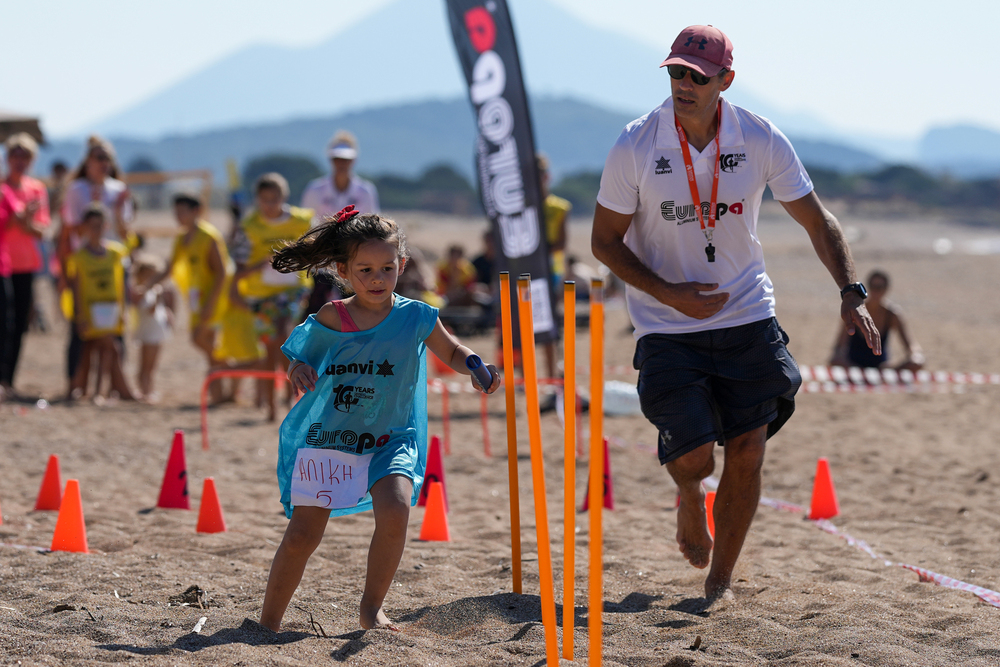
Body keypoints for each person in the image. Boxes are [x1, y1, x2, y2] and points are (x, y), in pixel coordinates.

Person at [590, 25, 880, 601]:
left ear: (725, 80)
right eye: (675, 73)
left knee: (748, 449)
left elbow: (818, 221)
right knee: (695, 456)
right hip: (668, 323)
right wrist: (670, 294)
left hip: (747, 314)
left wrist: (850, 290)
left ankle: (719, 581)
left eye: (697, 76)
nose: (684, 85)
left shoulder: (760, 137)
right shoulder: (636, 143)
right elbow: (604, 242)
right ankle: (689, 493)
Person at [258, 206, 500, 632]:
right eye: (365, 269)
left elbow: (452, 351)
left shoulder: (417, 316)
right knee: (302, 536)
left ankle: (371, 608)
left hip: (391, 438)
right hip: (332, 439)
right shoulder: (334, 317)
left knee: (397, 508)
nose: (377, 278)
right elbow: (297, 357)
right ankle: (267, 622)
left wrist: (476, 366)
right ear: (343, 270)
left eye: (387, 268)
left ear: (401, 266)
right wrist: (298, 371)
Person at [231, 173, 313, 421]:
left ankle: (289, 398)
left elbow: (315, 252)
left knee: (284, 336)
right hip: (261, 294)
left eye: (274, 198)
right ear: (257, 199)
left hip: (292, 291)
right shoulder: (249, 226)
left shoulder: (301, 221)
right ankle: (270, 406)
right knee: (269, 348)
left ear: (284, 197)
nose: (270, 204)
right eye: (264, 199)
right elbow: (239, 266)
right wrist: (260, 265)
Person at [58, 136, 136, 392]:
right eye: (99, 158)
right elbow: (69, 230)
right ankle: (75, 384)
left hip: (113, 261)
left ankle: (115, 383)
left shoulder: (118, 189)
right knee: (81, 327)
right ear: (88, 161)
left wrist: (117, 212)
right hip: (85, 263)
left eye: (107, 159)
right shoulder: (77, 189)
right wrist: (63, 270)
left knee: (115, 328)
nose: (104, 163)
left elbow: (125, 232)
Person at [142, 194, 231, 402]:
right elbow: (170, 268)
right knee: (207, 346)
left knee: (199, 339)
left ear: (195, 211)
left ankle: (229, 366)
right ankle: (220, 394)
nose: (178, 216)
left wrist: (210, 303)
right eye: (176, 212)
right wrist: (148, 284)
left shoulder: (208, 235)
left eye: (182, 211)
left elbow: (222, 272)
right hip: (195, 299)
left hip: (212, 297)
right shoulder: (182, 237)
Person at [301, 130, 380, 313]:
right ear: (330, 160)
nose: (341, 164)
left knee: (357, 311)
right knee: (315, 310)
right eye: (337, 159)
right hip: (321, 263)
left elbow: (373, 228)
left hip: (354, 261)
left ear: (354, 160)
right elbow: (304, 226)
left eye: (346, 159)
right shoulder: (315, 190)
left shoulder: (365, 191)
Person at [67, 203, 134, 401]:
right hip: (90, 310)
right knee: (95, 350)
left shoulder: (116, 252)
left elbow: (122, 282)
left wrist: (124, 309)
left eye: (99, 225)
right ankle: (91, 390)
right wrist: (79, 315)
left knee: (105, 349)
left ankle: (98, 391)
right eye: (92, 225)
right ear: (85, 228)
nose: (96, 230)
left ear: (106, 226)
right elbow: (76, 288)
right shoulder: (79, 257)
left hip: (110, 309)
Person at [0, 133, 50, 397]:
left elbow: (41, 231)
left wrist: (25, 221)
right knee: (3, 323)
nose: (20, 160)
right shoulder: (2, 188)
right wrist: (21, 219)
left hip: (25, 264)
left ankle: (8, 380)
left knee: (19, 325)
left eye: (25, 155)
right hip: (4, 264)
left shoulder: (36, 189)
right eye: (15, 154)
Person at [830, 270, 923, 372]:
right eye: (872, 286)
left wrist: (915, 356)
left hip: (881, 367)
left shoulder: (892, 314)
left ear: (886, 289)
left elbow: (911, 346)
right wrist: (842, 360)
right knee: (835, 361)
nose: (875, 291)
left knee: (917, 362)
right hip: (854, 365)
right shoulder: (856, 311)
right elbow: (839, 346)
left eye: (879, 288)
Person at [131, 255, 174, 401]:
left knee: (152, 366)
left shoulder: (153, 290)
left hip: (156, 332)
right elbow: (150, 310)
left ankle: (149, 389)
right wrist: (157, 295)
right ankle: (144, 391)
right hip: (148, 333)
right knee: (146, 365)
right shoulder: (140, 291)